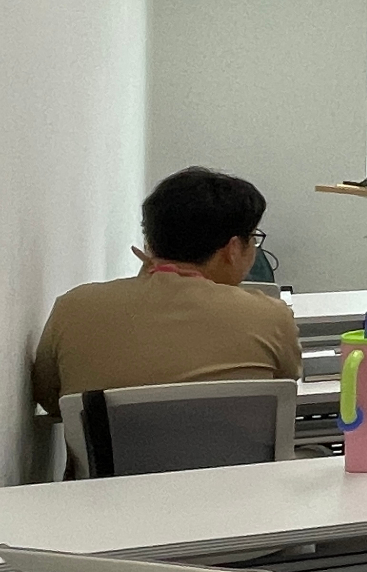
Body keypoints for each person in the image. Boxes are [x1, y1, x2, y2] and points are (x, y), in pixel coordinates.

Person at [31, 167, 301, 414]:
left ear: (150, 243)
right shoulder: (270, 316)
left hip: (114, 455)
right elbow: (284, 392)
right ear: (232, 249)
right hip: (234, 455)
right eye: (253, 238)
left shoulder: (73, 308)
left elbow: (52, 401)